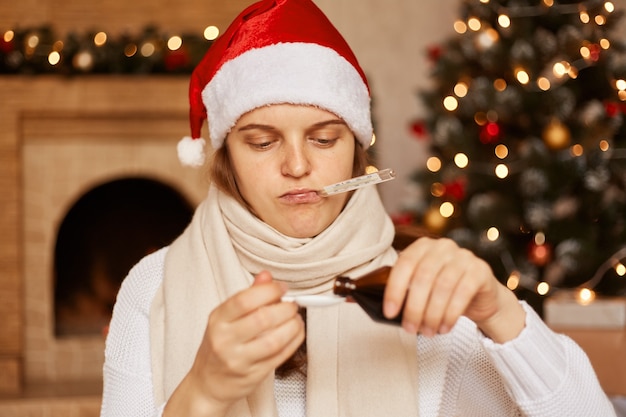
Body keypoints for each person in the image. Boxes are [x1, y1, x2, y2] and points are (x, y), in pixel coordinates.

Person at [99, 0, 616, 416]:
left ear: (357, 149)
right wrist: (203, 394)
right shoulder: (154, 289)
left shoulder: (423, 291)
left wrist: (498, 313)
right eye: (262, 142)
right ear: (226, 157)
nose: (297, 165)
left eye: (324, 139)